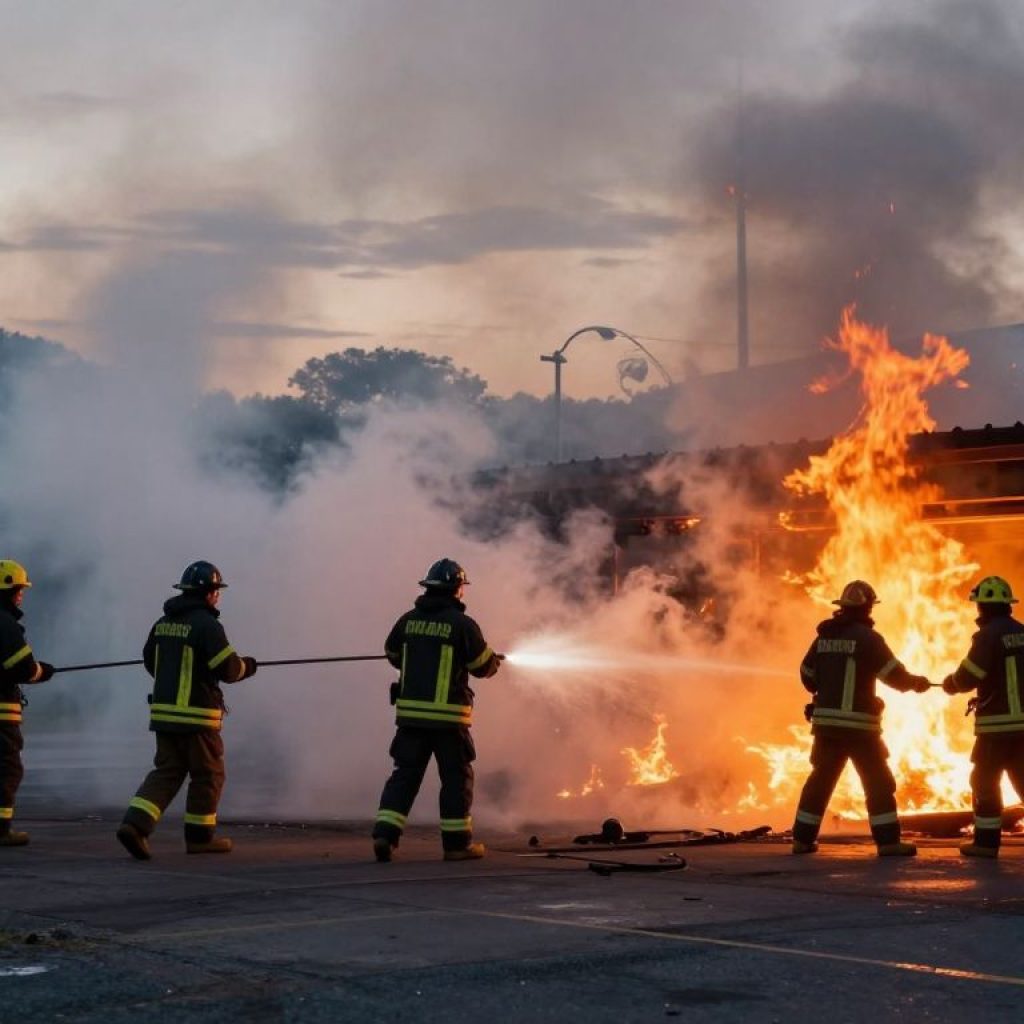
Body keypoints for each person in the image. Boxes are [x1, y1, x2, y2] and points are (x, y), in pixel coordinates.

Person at [116, 561, 257, 860]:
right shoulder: (207, 625)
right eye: (216, 591)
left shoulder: (163, 623)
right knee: (208, 775)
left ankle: (135, 825)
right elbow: (228, 669)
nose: (217, 597)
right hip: (197, 718)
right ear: (208, 593)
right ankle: (200, 839)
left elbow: (149, 660)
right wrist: (248, 665)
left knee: (167, 773)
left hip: (164, 715)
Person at [372, 558, 502, 863]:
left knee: (404, 776)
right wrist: (494, 659)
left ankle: (384, 836)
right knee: (456, 779)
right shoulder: (462, 625)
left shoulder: (408, 620)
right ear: (456, 589)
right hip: (448, 720)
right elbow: (482, 666)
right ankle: (457, 845)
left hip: (411, 718)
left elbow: (392, 653)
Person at [791, 579, 932, 857]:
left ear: (842, 607)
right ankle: (889, 843)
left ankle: (802, 840)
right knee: (878, 783)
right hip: (860, 729)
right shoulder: (868, 639)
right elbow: (894, 675)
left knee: (819, 782)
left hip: (827, 726)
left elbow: (807, 676)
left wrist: (826, 688)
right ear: (868, 608)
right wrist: (917, 683)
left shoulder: (824, 637)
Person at [941, 575, 1024, 859]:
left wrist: (951, 683)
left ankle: (985, 844)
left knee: (985, 781)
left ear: (984, 607)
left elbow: (969, 675)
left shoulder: (987, 636)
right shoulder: (1022, 632)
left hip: (995, 728)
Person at [0, 560, 55, 847]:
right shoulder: (6, 625)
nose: (22, 594)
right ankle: (1, 830)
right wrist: (42, 672)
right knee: (8, 769)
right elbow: (22, 668)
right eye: (19, 589)